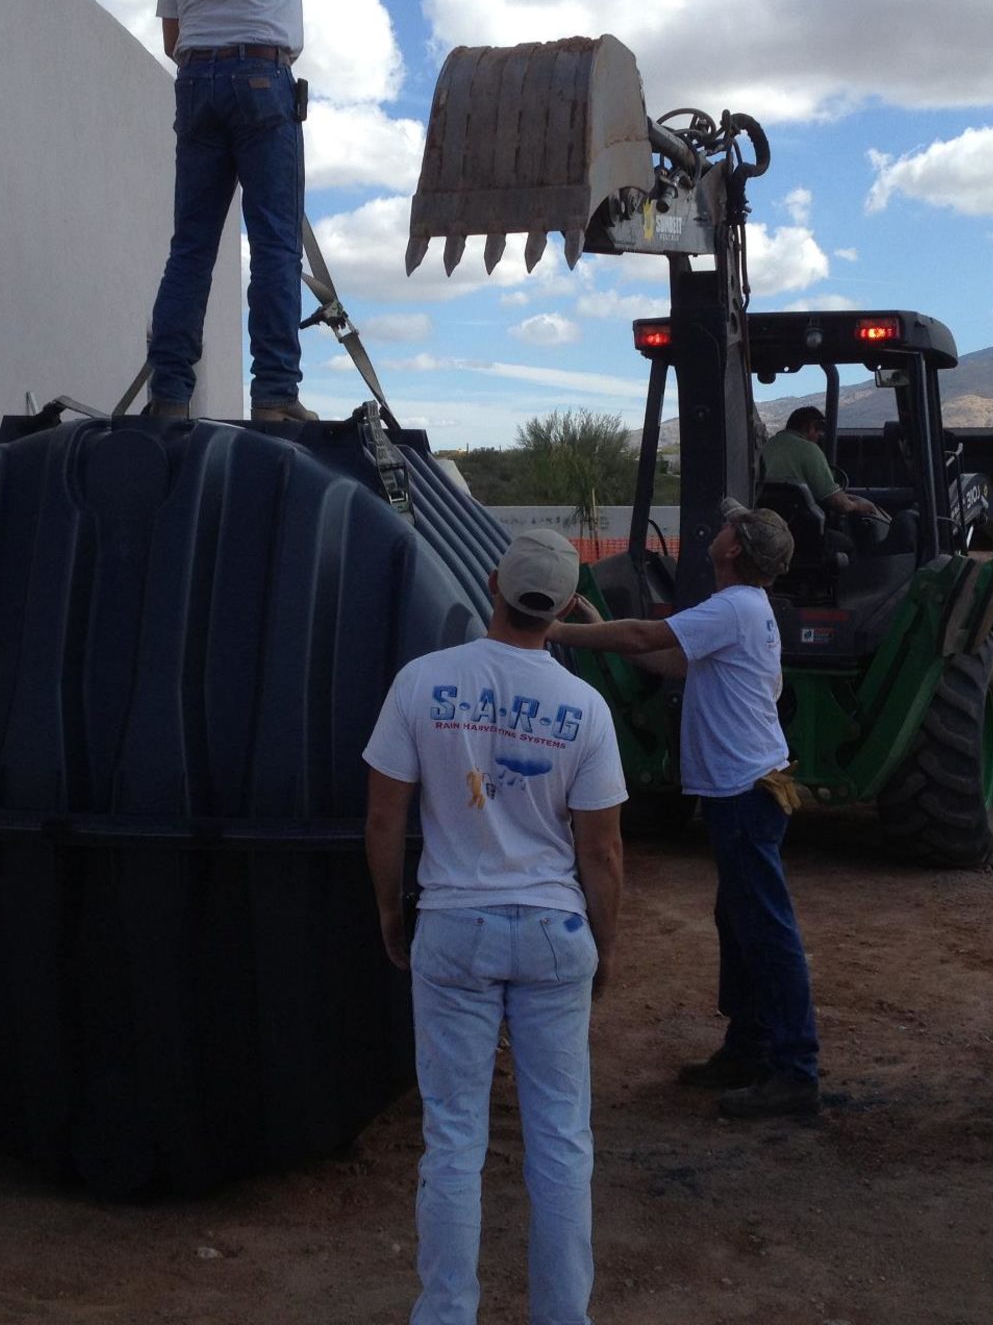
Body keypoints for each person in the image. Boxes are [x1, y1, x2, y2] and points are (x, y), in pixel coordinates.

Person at [364, 528, 626, 1325]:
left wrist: (388, 910)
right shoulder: (585, 707)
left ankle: (444, 1314)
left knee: (452, 1140)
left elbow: (383, 815)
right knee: (559, 1140)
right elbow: (602, 848)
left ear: (492, 585)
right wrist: (604, 947)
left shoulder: (422, 681)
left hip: (452, 927)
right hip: (553, 932)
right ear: (569, 607)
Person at [547, 500, 821, 1120]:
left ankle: (796, 1071)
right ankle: (749, 1050)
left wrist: (555, 631)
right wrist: (597, 620)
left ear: (734, 549)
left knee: (768, 932)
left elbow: (650, 636)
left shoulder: (733, 606)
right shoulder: (743, 610)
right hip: (747, 789)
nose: (716, 527)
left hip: (745, 793)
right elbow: (668, 658)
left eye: (726, 525)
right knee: (741, 924)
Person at [148, 0, 423, 422]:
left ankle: (169, 395)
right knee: (274, 243)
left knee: (190, 248)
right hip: (260, 78)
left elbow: (173, 37)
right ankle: (274, 393)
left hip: (195, 83)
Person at [761, 406, 886, 524]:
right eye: (818, 431)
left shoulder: (766, 446)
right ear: (810, 426)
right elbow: (838, 503)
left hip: (767, 521)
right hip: (800, 528)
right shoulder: (808, 449)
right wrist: (857, 506)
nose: (818, 437)